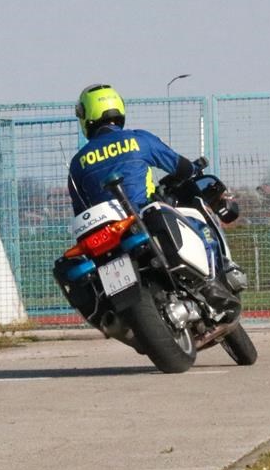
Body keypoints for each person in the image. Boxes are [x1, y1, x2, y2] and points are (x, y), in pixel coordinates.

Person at [68, 83, 240, 323]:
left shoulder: (77, 163)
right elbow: (180, 167)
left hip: (108, 234)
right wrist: (193, 168)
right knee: (194, 219)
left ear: (87, 115)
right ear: (118, 108)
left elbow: (80, 209)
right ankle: (210, 283)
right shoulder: (139, 140)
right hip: (143, 216)